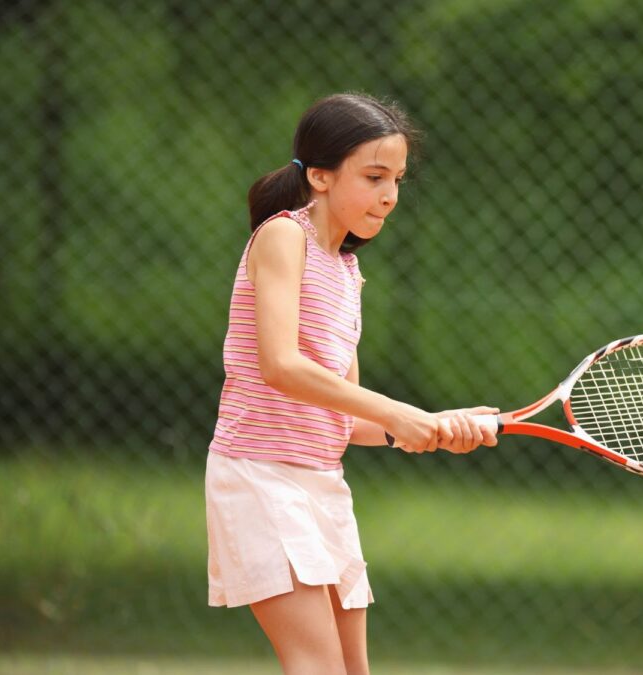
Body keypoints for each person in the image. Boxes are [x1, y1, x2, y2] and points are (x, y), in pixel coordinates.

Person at [205, 92, 497, 675]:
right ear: (319, 175)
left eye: (397, 179)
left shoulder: (348, 273)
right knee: (316, 667)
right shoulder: (282, 238)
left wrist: (428, 426)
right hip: (259, 475)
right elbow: (281, 366)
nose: (389, 194)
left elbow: (348, 419)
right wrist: (398, 411)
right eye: (373, 176)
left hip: (321, 485)